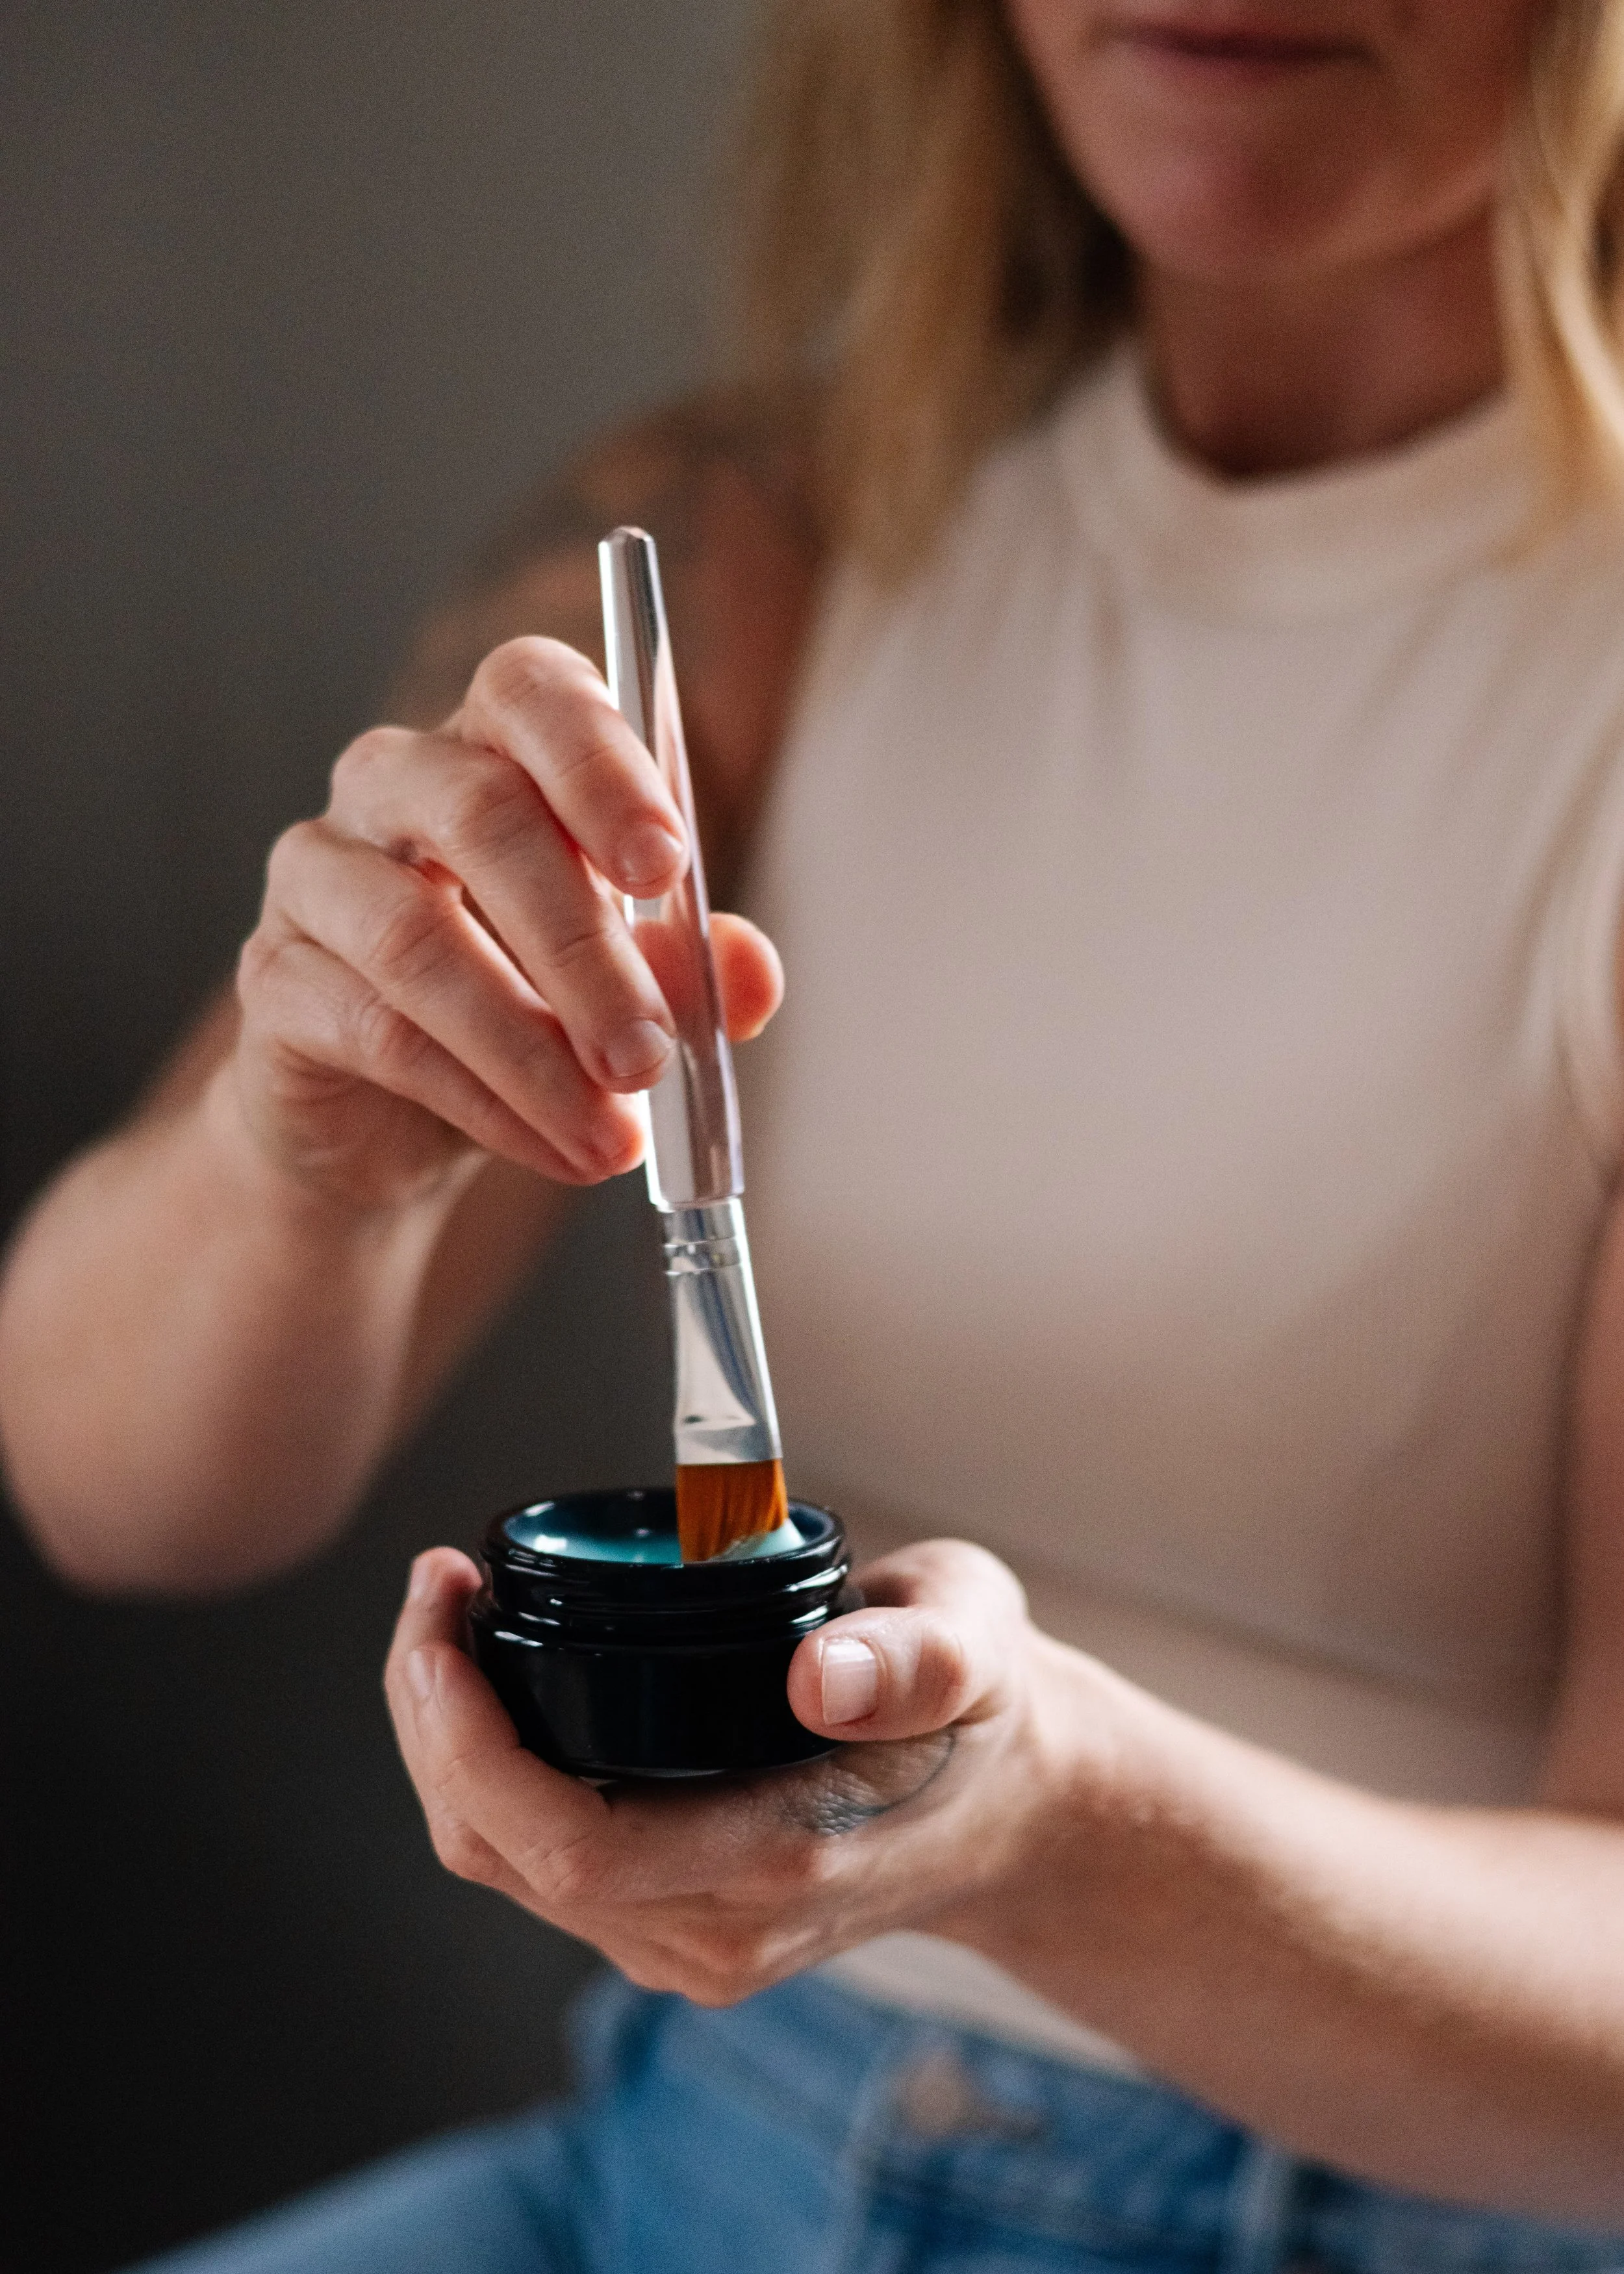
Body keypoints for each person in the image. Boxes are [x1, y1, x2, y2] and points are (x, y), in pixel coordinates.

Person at [4, 0, 1624, 2264]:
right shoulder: (734, 547)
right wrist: (304, 1164)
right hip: (685, 2150)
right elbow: (115, 1482)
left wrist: (1059, 1826)